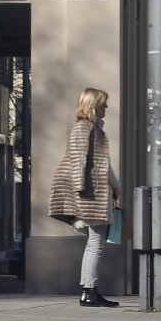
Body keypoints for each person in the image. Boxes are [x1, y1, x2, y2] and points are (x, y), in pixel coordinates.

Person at [49, 87, 121, 307]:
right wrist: (80, 191)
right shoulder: (83, 127)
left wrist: (116, 186)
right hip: (91, 194)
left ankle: (90, 291)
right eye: (103, 103)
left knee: (95, 243)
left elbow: (102, 164)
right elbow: (77, 160)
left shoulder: (94, 128)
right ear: (92, 105)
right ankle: (89, 291)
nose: (106, 107)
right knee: (95, 244)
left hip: (96, 193)